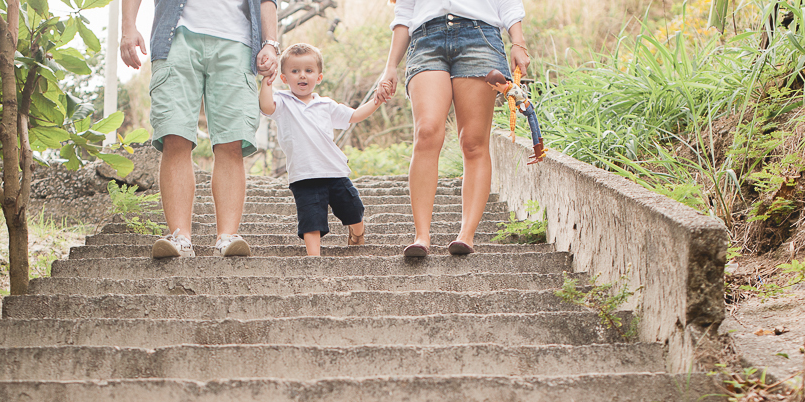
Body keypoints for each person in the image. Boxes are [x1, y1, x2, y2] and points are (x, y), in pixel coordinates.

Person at [120, 0, 280, 258]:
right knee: (175, 135)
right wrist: (128, 27)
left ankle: (227, 236)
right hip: (175, 38)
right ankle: (179, 237)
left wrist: (271, 44)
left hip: (238, 43)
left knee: (232, 140)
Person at [375, 0, 529, 257]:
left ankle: (466, 235)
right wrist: (390, 66)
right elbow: (404, 12)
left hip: (480, 37)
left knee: (473, 141)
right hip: (425, 40)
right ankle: (421, 236)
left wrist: (518, 42)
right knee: (427, 132)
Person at [258, 43, 382, 256]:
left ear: (319, 76)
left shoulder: (326, 104)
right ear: (285, 78)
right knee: (311, 219)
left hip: (334, 171)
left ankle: (357, 233)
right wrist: (266, 82)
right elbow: (266, 106)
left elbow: (354, 116)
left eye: (308, 70)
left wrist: (376, 101)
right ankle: (314, 259)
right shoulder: (283, 101)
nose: (302, 76)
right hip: (304, 175)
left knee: (353, 209)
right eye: (295, 71)